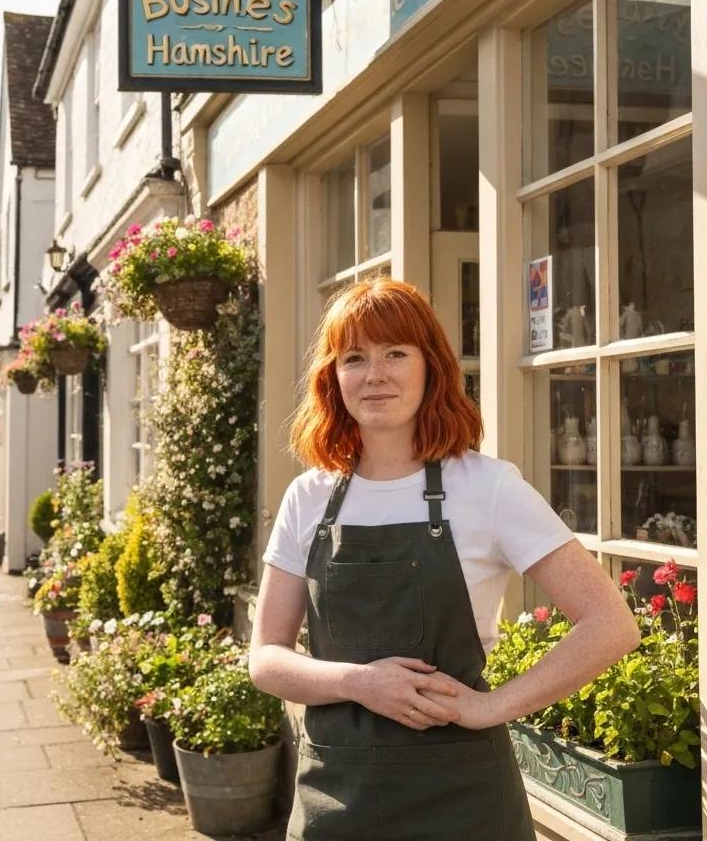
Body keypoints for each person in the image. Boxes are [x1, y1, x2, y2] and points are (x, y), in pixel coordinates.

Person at [249, 278, 639, 840]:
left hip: (465, 799)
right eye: (354, 357)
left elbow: (611, 624)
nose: (374, 374)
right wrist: (359, 683)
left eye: (395, 354)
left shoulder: (487, 487)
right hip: (336, 797)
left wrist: (491, 707)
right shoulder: (308, 497)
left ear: (430, 366)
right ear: (333, 377)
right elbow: (265, 658)